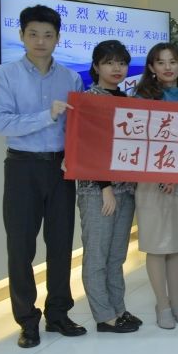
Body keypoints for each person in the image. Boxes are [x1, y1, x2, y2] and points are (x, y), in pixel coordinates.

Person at [0, 5, 85, 348]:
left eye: (48, 35)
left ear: (58, 38)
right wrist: (48, 115)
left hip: (61, 168)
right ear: (21, 35)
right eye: (33, 34)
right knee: (20, 246)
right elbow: (3, 123)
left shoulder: (71, 79)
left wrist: (75, 156)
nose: (40, 41)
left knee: (61, 244)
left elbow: (79, 127)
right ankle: (27, 321)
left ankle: (58, 314)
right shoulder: (3, 75)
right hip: (22, 167)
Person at [78, 40, 141, 334]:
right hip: (97, 190)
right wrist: (104, 187)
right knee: (97, 255)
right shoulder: (88, 99)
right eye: (109, 62)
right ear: (96, 66)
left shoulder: (127, 99)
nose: (117, 68)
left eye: (121, 63)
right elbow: (88, 146)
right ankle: (104, 316)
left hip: (126, 189)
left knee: (117, 256)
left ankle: (119, 309)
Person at [134, 42, 178, 330]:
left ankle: (177, 301)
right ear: (151, 68)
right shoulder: (141, 99)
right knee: (157, 246)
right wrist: (162, 174)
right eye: (161, 62)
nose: (168, 67)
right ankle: (162, 304)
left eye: (173, 62)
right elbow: (138, 141)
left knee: (177, 245)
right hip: (151, 182)